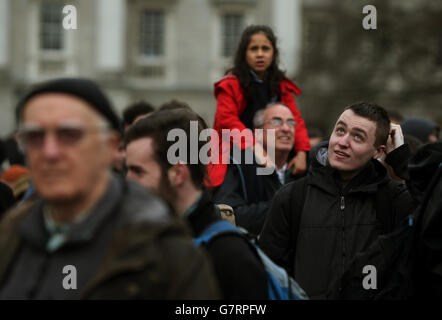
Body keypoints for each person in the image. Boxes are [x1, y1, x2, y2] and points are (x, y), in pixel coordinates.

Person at [0, 78, 220, 299]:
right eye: (35, 137)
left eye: (70, 135)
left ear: (111, 146)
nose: (50, 152)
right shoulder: (11, 233)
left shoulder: (164, 250)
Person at [259, 102, 418, 299]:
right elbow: (267, 274)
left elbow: (432, 217)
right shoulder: (293, 196)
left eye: (358, 137)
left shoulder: (393, 199)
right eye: (340, 130)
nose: (343, 142)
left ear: (378, 152)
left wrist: (403, 161)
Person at [125, 109, 268, 299]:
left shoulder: (230, 256)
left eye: (138, 171)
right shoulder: (136, 240)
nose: (127, 181)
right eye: (127, 169)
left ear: (178, 173)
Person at [208, 25, 311, 188]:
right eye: (254, 49)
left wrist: (302, 152)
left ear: (274, 53)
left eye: (265, 48)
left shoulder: (281, 86)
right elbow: (226, 121)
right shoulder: (230, 85)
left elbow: (295, 120)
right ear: (244, 54)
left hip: (272, 153)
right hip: (235, 152)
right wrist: (254, 147)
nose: (260, 54)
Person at [214, 102, 300, 235]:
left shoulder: (304, 168)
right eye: (276, 121)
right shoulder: (238, 164)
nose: (286, 128)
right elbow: (228, 215)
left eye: (291, 123)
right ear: (257, 132)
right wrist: (287, 206)